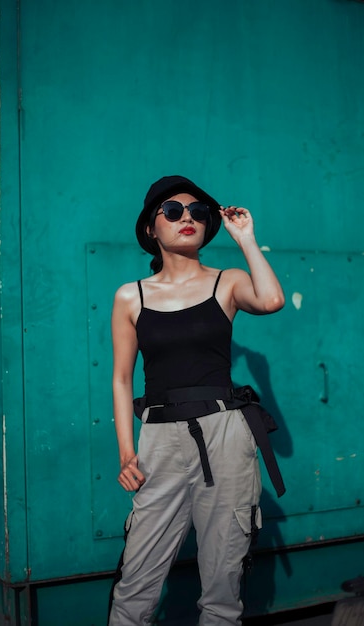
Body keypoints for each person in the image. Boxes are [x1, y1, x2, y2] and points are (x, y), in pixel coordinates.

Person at [108, 175, 285, 626]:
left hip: (226, 437)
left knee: (223, 588)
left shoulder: (228, 282)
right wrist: (128, 452)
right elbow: (122, 379)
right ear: (151, 228)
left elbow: (271, 300)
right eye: (172, 211)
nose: (187, 217)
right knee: (135, 584)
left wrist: (245, 238)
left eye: (198, 212)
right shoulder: (132, 295)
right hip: (160, 440)